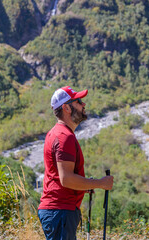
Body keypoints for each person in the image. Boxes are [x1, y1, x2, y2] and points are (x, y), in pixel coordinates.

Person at [38, 86, 114, 240]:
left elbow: (59, 177)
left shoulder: (56, 133)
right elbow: (66, 179)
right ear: (66, 107)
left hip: (57, 210)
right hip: (61, 210)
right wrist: (100, 183)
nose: (83, 104)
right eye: (79, 101)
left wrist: (85, 186)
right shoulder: (64, 136)